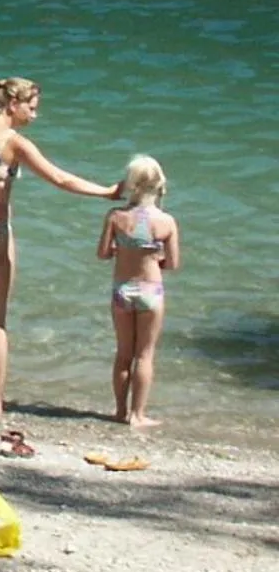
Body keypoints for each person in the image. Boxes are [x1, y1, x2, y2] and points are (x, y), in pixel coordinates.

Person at [0, 76, 121, 422]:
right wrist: (107, 192)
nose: (34, 116)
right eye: (31, 108)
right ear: (12, 104)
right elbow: (61, 179)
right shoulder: (12, 142)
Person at [98, 155, 179, 428]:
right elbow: (173, 264)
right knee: (145, 354)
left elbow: (103, 254)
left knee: (123, 353)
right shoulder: (166, 222)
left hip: (122, 290)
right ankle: (138, 415)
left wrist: (123, 249)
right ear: (159, 186)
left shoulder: (116, 216)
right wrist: (155, 256)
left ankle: (119, 411)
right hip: (151, 291)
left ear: (130, 184)